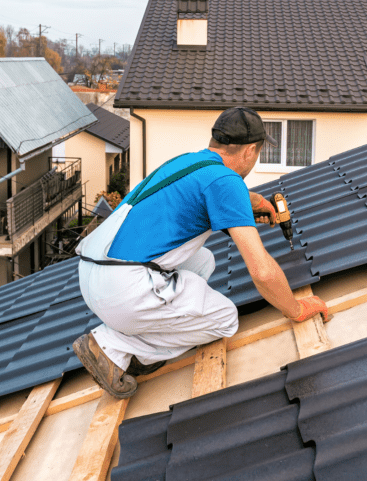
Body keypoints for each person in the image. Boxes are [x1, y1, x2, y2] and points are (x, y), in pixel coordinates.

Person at [72, 106, 332, 398]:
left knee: (204, 259)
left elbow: (211, 193)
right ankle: (114, 347)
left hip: (94, 273)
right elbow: (261, 271)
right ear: (249, 151)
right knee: (224, 319)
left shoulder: (189, 162)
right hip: (122, 290)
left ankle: (142, 330)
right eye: (258, 153)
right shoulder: (226, 182)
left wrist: (254, 201)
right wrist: (297, 309)